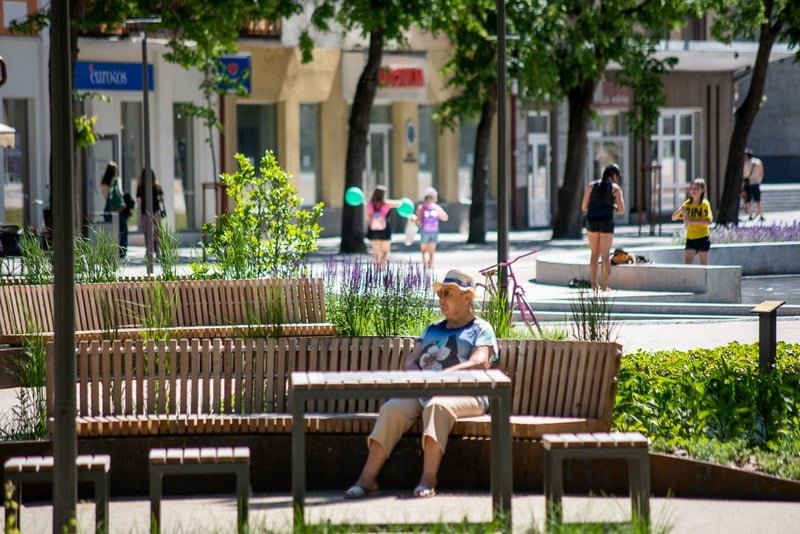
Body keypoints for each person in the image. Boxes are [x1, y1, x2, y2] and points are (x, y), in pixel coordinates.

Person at [344, 269, 498, 500]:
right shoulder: (432, 328)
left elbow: (480, 363)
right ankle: (367, 479)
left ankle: (428, 478)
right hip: (425, 390)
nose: (441, 298)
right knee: (392, 408)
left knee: (437, 406)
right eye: (440, 293)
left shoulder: (481, 328)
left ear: (467, 298)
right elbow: (411, 361)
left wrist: (442, 378)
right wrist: (421, 378)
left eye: (448, 293)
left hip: (468, 392)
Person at [580, 163, 625, 291]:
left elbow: (583, 207)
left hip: (592, 221)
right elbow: (621, 210)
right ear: (614, 175)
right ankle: (605, 286)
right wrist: (613, 206)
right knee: (605, 256)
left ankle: (594, 284)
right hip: (606, 222)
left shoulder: (591, 186)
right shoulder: (615, 189)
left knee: (594, 254)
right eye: (617, 176)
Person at [672, 177, 713, 265]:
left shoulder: (705, 204)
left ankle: (703, 279)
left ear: (702, 190)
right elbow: (673, 218)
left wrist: (691, 221)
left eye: (696, 188)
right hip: (690, 237)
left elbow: (709, 221)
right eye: (692, 188)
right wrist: (680, 210)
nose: (693, 190)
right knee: (687, 263)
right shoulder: (687, 204)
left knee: (704, 265)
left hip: (703, 237)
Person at [365, 185, 402, 266]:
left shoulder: (369, 204)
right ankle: (383, 267)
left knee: (376, 252)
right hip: (385, 229)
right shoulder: (387, 204)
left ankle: (376, 269)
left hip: (373, 229)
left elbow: (368, 218)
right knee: (385, 251)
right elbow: (399, 204)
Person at [100, 161, 130, 258]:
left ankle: (111, 252)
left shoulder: (103, 183)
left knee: (110, 232)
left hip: (108, 210)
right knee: (122, 231)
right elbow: (120, 195)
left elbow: (105, 196)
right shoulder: (116, 181)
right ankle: (121, 252)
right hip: (118, 210)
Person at [414, 187, 449, 269]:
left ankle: (425, 265)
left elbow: (418, 221)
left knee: (424, 251)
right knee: (432, 251)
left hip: (424, 231)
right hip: (434, 231)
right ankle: (431, 266)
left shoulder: (421, 207)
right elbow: (445, 218)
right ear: (434, 197)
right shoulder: (436, 207)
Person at [136, 169, 165, 259]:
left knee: (147, 233)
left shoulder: (140, 187)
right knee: (157, 232)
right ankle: (158, 251)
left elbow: (138, 201)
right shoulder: (157, 186)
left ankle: (149, 251)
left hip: (145, 212)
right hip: (156, 211)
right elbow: (162, 199)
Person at [743, 147, 765, 221]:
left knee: (748, 200)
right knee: (758, 200)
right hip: (756, 182)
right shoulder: (758, 162)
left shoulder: (745, 163)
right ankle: (761, 215)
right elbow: (761, 173)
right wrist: (759, 181)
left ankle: (750, 215)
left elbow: (744, 174)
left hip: (748, 183)